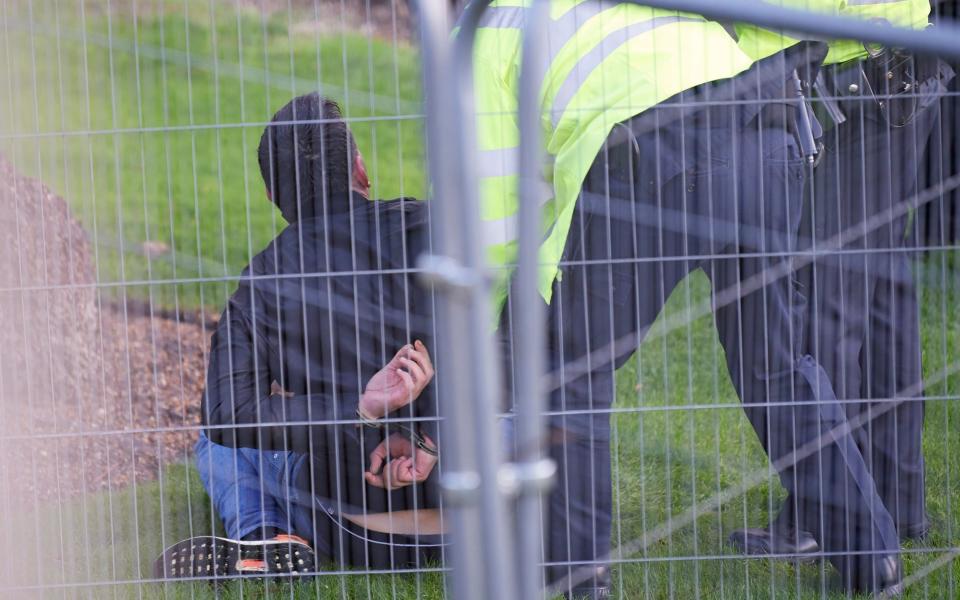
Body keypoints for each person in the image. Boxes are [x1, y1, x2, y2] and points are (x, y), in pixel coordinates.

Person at [471, 0, 903, 595]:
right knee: (776, 364)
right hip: (766, 133)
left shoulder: (485, 35)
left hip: (658, 149)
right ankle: (872, 555)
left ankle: (576, 583)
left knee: (570, 367)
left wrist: (485, 315)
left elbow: (493, 205)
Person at [729, 0, 954, 567]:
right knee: (881, 293)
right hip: (892, 60)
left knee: (828, 305)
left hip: (853, 73)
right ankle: (895, 499)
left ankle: (821, 516)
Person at [191, 94, 442, 576]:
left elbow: (226, 412)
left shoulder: (263, 280)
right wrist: (431, 437)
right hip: (469, 512)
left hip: (351, 527)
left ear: (272, 198)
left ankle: (261, 534)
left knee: (213, 439)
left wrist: (357, 409)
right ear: (361, 169)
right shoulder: (427, 228)